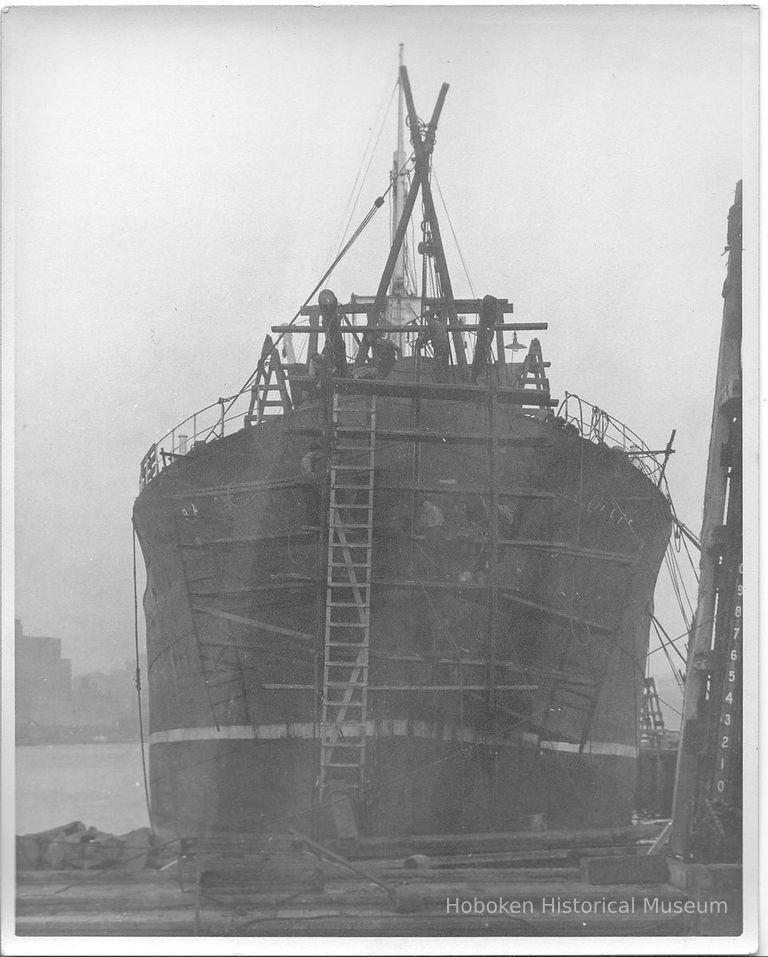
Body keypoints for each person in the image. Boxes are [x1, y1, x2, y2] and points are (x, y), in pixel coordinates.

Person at [318, 289, 349, 378]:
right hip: (334, 350)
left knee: (337, 352)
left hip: (335, 351)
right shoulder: (326, 320)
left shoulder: (327, 320)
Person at [414, 309, 450, 382]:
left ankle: (439, 382)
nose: (426, 320)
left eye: (426, 318)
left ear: (429, 317)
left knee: (438, 364)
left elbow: (427, 336)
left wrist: (420, 342)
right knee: (444, 365)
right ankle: (445, 382)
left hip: (439, 345)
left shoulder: (431, 324)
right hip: (445, 345)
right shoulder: (439, 323)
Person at [418, 498, 447, 580]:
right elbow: (443, 522)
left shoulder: (427, 510)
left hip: (431, 532)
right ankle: (443, 575)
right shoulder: (438, 509)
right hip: (440, 532)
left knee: (431, 553)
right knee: (441, 553)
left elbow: (422, 523)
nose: (424, 505)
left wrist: (419, 529)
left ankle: (432, 575)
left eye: (424, 503)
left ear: (427, 502)